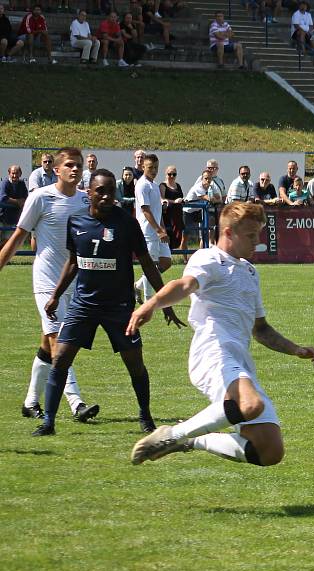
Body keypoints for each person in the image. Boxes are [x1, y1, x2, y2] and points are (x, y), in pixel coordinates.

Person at [128, 203, 314, 467]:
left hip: (239, 361)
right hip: (213, 352)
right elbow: (183, 285)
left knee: (269, 450)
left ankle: (190, 439)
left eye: (259, 235)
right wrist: (151, 304)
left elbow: (261, 328)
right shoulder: (209, 259)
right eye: (251, 236)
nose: (257, 242)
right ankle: (173, 435)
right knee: (250, 404)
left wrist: (294, 348)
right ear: (229, 233)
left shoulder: (250, 273)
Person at [31, 170, 185, 437]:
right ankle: (48, 423)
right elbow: (73, 262)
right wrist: (56, 295)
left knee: (135, 364)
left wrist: (164, 301)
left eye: (110, 191)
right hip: (83, 306)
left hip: (120, 308)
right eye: (100, 190)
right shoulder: (76, 221)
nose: (105, 195)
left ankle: (145, 417)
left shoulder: (126, 223)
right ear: (88, 192)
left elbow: (147, 263)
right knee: (60, 360)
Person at [0, 148, 98, 424]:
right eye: (69, 165)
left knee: (47, 342)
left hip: (74, 283)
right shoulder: (40, 198)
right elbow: (18, 236)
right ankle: (76, 402)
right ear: (57, 170)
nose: (75, 169)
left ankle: (31, 402)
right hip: (45, 282)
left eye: (78, 165)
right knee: (60, 343)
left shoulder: (84, 200)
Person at [134, 154, 172, 303]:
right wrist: (158, 230)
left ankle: (137, 285)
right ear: (143, 167)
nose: (154, 170)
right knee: (151, 265)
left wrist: (163, 228)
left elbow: (157, 211)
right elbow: (145, 210)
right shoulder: (142, 185)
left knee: (166, 262)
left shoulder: (155, 185)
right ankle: (149, 301)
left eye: (156, 167)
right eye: (150, 167)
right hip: (148, 232)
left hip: (157, 231)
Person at [1, 165, 27, 250]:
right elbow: (3, 198)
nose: (15, 175)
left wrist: (20, 202)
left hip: (13, 218)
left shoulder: (22, 183)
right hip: (2, 216)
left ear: (20, 174)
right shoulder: (5, 182)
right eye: (13, 173)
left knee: (7, 240)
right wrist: (18, 202)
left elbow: (25, 198)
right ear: (9, 173)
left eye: (17, 173)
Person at [160, 165, 185, 252]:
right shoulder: (163, 185)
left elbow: (181, 197)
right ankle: (166, 256)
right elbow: (161, 199)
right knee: (169, 234)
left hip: (178, 215)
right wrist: (174, 201)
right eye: (169, 174)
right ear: (166, 174)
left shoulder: (178, 185)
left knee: (178, 238)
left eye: (174, 174)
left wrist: (181, 200)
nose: (171, 176)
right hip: (168, 215)